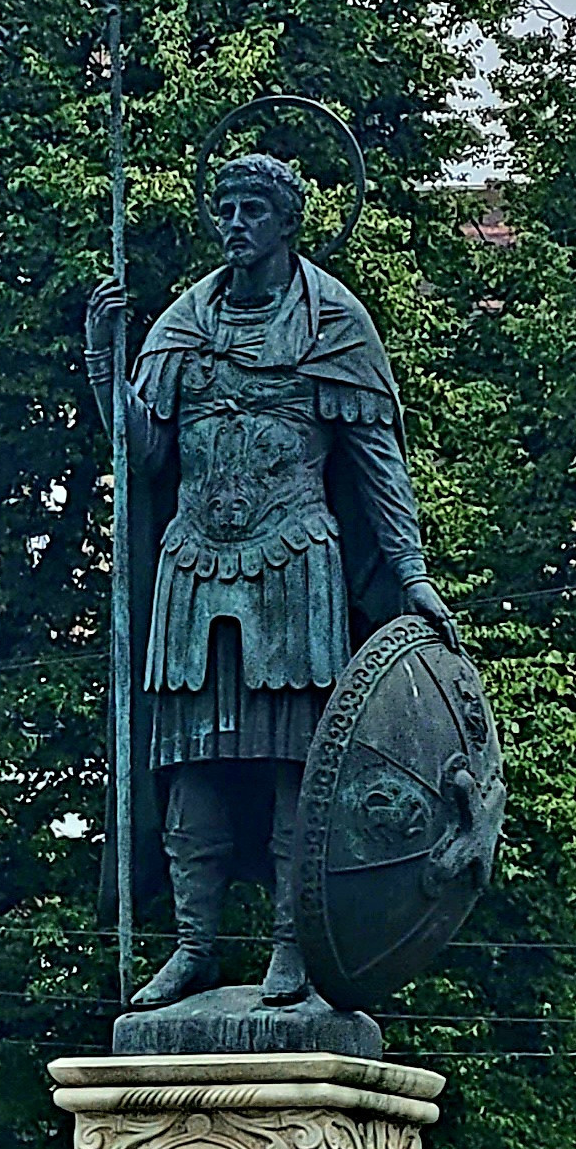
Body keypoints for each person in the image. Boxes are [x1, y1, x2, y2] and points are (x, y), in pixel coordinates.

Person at [87, 152, 458, 1011]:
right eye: (226, 208)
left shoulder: (334, 324)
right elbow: (142, 454)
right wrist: (108, 363)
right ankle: (192, 949)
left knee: (303, 767)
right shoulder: (182, 325)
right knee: (193, 767)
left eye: (253, 208)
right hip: (192, 568)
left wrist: (410, 573)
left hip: (294, 566)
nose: (236, 224)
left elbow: (378, 467)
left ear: (288, 221)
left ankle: (291, 950)